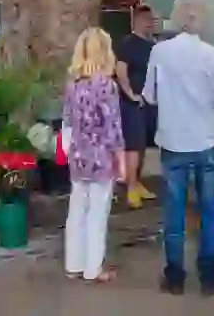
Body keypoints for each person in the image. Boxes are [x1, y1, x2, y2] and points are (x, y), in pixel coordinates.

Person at [143, 0, 214, 296]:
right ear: (201, 20)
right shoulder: (212, 55)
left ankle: (175, 278)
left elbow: (150, 96)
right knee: (209, 209)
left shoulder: (159, 52)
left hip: (172, 141)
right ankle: (209, 278)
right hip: (207, 140)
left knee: (174, 211)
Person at [62, 27, 125, 284]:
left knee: (77, 210)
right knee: (98, 213)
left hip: (77, 155)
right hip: (101, 157)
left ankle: (73, 264)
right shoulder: (107, 86)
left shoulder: (72, 85)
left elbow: (66, 122)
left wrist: (68, 151)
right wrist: (121, 160)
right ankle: (93, 269)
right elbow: (113, 128)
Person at [114, 5, 157, 209]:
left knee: (142, 145)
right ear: (138, 20)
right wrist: (131, 94)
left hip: (149, 102)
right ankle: (130, 186)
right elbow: (120, 70)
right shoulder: (128, 43)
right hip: (132, 103)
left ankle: (137, 182)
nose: (151, 23)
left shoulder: (152, 45)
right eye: (147, 19)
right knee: (133, 145)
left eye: (152, 19)